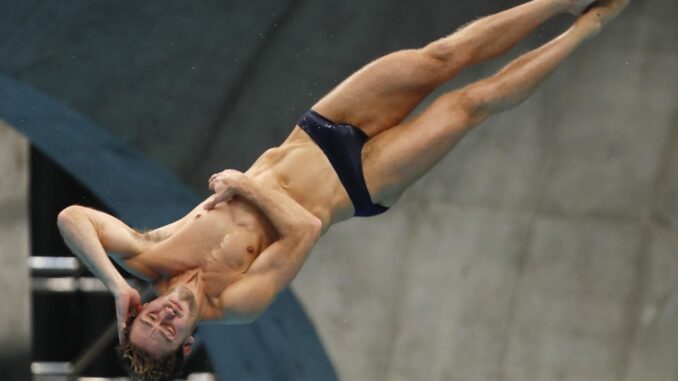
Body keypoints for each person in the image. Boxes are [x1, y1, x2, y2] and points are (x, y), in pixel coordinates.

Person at [57, 0, 628, 379]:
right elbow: (304, 228)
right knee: (470, 104)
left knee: (442, 56)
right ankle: (590, 26)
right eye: (168, 332)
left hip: (319, 130)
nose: (164, 318)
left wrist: (113, 284)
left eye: (149, 319)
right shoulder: (237, 304)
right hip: (360, 183)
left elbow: (71, 217)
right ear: (186, 344)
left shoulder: (150, 251)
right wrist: (245, 188)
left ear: (140, 309)